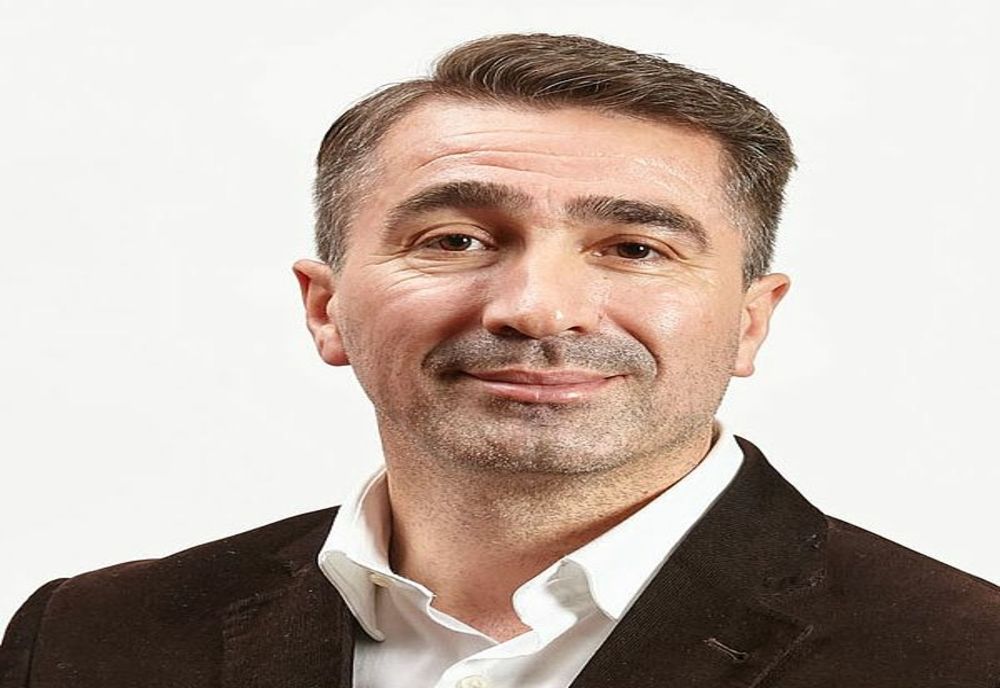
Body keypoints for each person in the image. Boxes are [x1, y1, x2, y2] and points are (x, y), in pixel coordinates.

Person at [2, 32, 998, 688]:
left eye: (635, 249)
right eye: (454, 240)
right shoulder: (88, 639)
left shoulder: (963, 656)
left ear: (748, 323)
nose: (536, 307)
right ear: (324, 307)